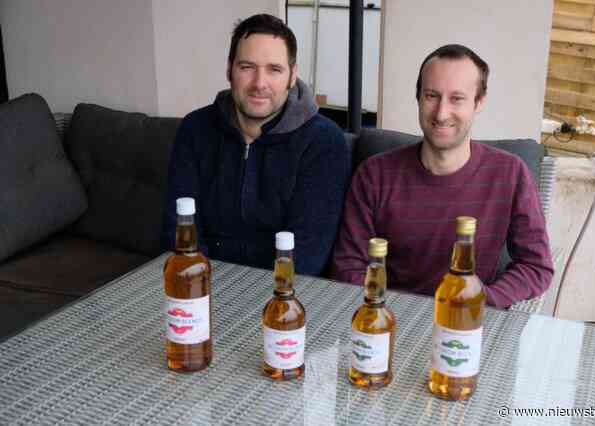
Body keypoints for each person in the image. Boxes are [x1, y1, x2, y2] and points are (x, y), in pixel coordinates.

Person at [331, 44, 553, 308]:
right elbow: (348, 266)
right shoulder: (374, 174)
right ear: (418, 98)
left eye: (457, 98)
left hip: (466, 324)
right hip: (388, 319)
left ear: (479, 102)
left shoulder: (511, 174)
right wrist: (379, 313)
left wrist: (484, 299)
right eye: (432, 96)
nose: (441, 112)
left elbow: (536, 266)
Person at [162, 14, 350, 275]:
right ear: (229, 70)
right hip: (200, 286)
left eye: (274, 69)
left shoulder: (323, 142)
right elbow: (178, 228)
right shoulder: (195, 129)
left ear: (292, 75)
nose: (259, 83)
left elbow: (307, 255)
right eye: (247, 67)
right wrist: (201, 290)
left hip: (281, 296)